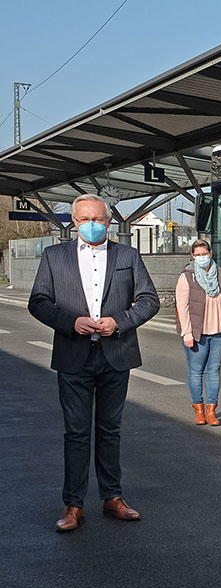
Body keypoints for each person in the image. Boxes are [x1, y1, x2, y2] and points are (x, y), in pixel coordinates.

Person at [28, 194, 161, 531]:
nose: (91, 224)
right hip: (74, 355)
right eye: (84, 219)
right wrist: (69, 322)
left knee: (109, 430)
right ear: (74, 222)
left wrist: (122, 320)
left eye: (98, 219)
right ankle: (73, 504)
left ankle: (112, 497)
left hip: (117, 353)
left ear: (108, 221)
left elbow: (149, 300)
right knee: (76, 432)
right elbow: (38, 301)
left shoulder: (128, 255)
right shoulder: (54, 256)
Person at [175, 239, 221, 426]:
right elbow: (182, 307)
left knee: (214, 371)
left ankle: (211, 411)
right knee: (196, 372)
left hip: (219, 332)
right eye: (198, 255)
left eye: (205, 254)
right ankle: (199, 410)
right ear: (192, 256)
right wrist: (186, 332)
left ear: (211, 253)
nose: (202, 258)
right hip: (196, 333)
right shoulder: (187, 277)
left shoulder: (220, 274)